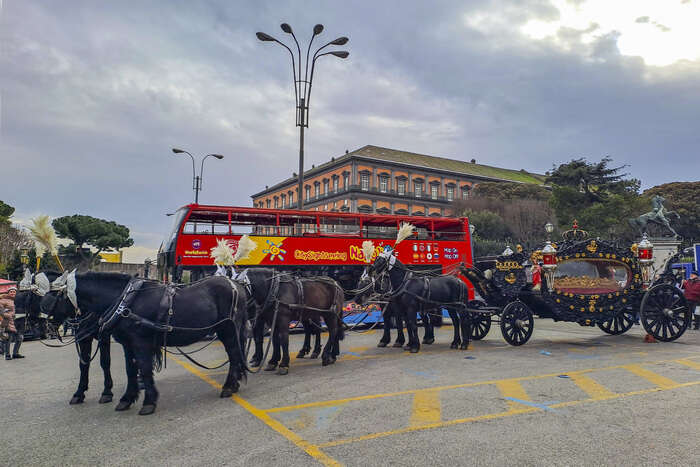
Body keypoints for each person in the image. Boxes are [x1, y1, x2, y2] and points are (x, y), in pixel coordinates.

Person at [0, 286, 21, 360]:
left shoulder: (18, 300)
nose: (12, 293)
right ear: (8, 293)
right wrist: (9, 315)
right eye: (11, 292)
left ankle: (15, 353)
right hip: (8, 321)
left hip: (17, 321)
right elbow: (1, 311)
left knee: (19, 338)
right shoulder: (4, 300)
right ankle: (8, 355)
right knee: (8, 338)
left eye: (14, 292)